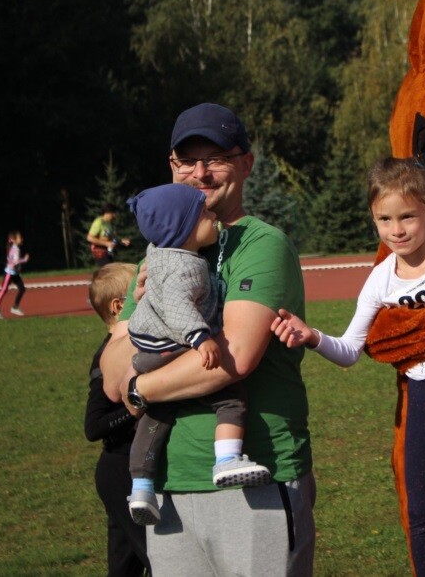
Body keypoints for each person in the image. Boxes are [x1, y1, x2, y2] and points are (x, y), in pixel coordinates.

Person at [99, 103, 314, 576]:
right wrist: (130, 378)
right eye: (186, 161)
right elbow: (111, 373)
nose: (200, 172)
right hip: (167, 487)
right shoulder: (160, 256)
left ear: (246, 164)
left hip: (255, 481)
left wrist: (141, 388)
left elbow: (230, 358)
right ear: (171, 167)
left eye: (215, 157)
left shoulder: (259, 244)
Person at [270, 157, 425, 577]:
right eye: (384, 219)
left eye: (407, 217)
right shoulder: (381, 279)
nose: (396, 229)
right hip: (422, 392)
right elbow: (349, 350)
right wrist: (311, 336)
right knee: (420, 509)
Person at [124, 183, 271, 526]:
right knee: (231, 396)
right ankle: (226, 460)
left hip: (147, 350)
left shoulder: (156, 254)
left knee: (156, 417)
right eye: (204, 213)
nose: (212, 215)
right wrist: (200, 337)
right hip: (170, 348)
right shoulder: (186, 267)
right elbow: (177, 305)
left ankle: (142, 486)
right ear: (184, 229)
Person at [84, 262, 151, 577]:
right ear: (119, 306)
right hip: (119, 472)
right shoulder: (106, 357)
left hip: (127, 472)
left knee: (124, 567)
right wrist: (133, 409)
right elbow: (94, 426)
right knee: (159, 558)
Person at [0, 230, 29, 319]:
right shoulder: (15, 249)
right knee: (4, 290)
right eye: (20, 238)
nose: (21, 239)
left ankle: (15, 307)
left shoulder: (14, 248)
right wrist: (24, 260)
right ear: (14, 240)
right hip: (9, 273)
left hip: (14, 273)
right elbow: (15, 262)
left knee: (22, 289)